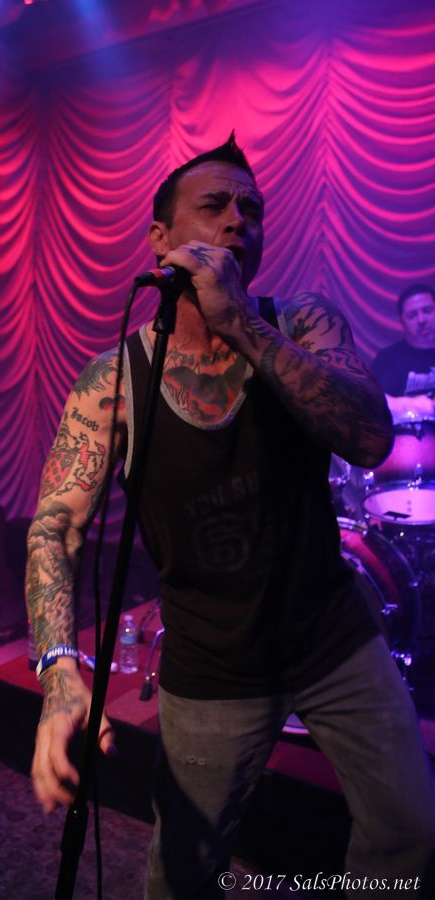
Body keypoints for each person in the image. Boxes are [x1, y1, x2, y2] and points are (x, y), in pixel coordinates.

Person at [26, 134, 435, 898]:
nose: (237, 220)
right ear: (161, 239)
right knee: (182, 871)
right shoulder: (112, 380)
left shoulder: (302, 322)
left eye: (252, 209)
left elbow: (371, 436)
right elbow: (55, 528)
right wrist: (59, 672)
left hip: (332, 635)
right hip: (210, 666)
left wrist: (241, 323)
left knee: (410, 828)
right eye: (213, 206)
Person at [372, 284, 435, 421]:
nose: (421, 320)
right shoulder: (388, 359)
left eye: (427, 310)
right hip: (410, 431)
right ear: (402, 322)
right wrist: (412, 405)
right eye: (412, 315)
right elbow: (375, 401)